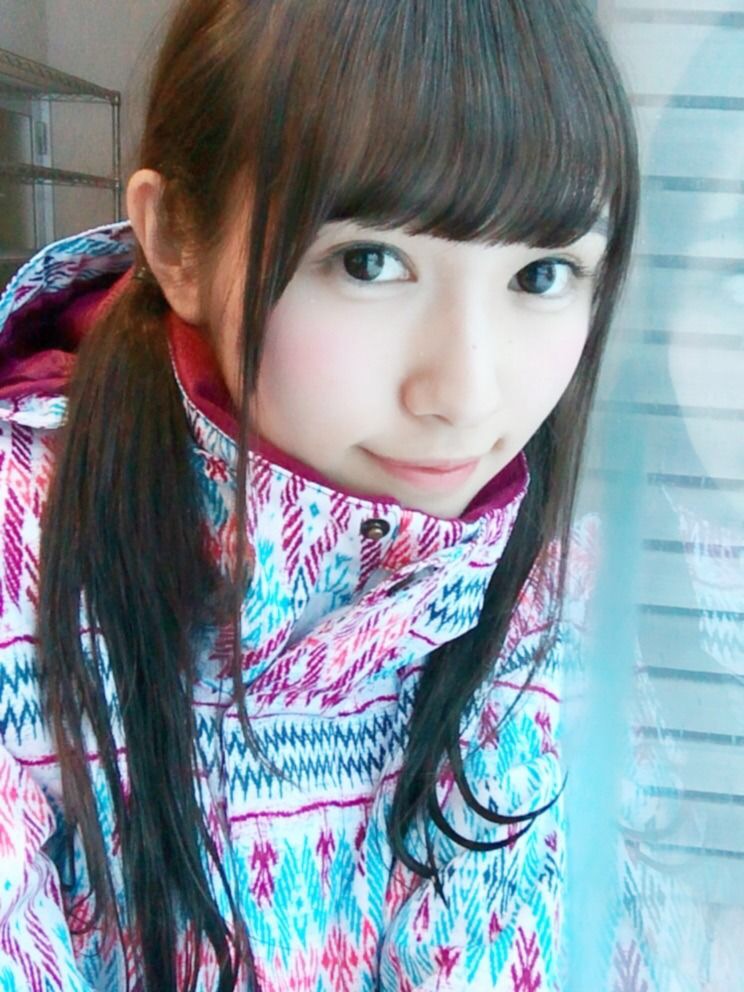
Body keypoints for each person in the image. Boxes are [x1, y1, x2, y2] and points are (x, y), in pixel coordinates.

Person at [0, 1, 640, 990]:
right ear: (178, 243)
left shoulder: (546, 600)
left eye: (543, 274)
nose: (465, 395)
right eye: (370, 262)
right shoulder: (26, 570)